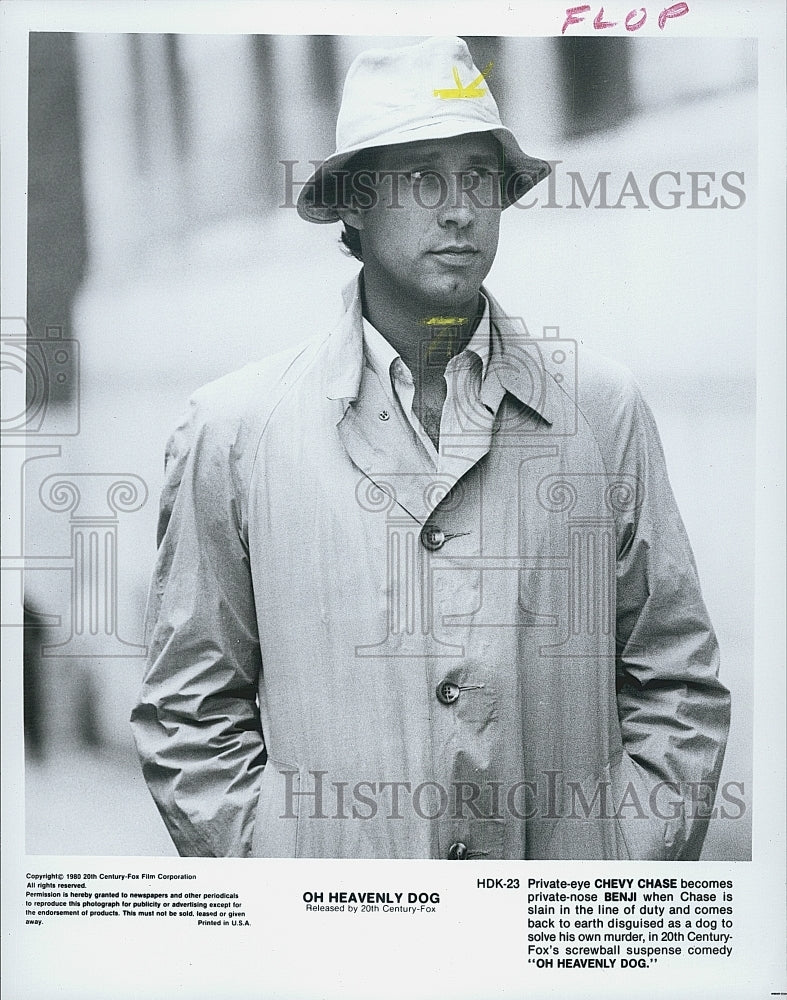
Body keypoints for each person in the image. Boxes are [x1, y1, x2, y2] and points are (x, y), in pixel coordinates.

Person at [131, 36, 730, 860]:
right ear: (352, 202)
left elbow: (675, 675)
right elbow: (188, 712)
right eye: (421, 178)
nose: (458, 210)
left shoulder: (598, 410)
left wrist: (618, 864)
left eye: (479, 179)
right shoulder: (233, 431)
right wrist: (280, 880)